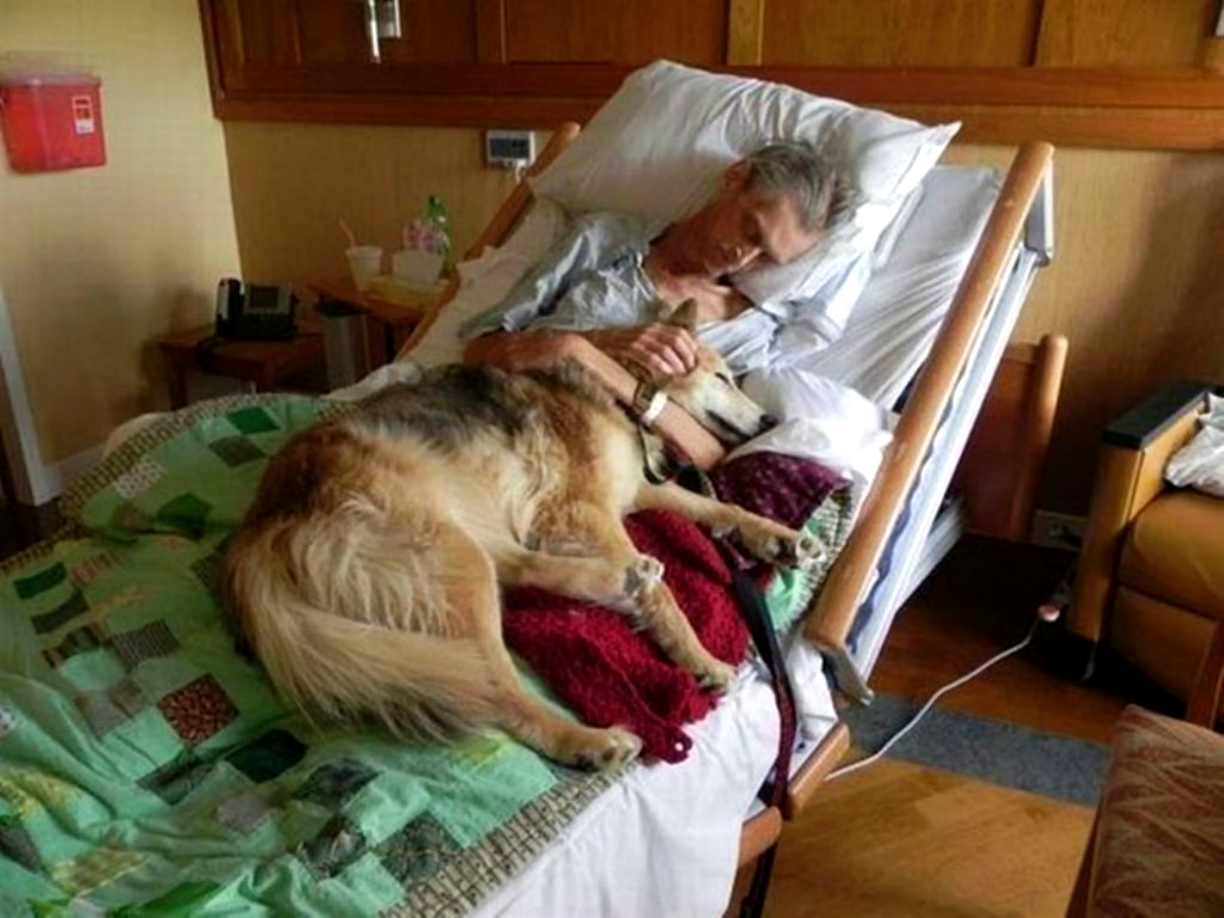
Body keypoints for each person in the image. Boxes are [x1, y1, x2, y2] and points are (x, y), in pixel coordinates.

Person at [461, 141, 842, 379]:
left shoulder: (745, 331)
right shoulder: (602, 240)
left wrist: (594, 362)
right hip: (501, 415)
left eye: (766, 258)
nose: (744, 258)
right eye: (751, 230)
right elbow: (478, 352)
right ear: (735, 179)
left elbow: (711, 451)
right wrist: (596, 342)